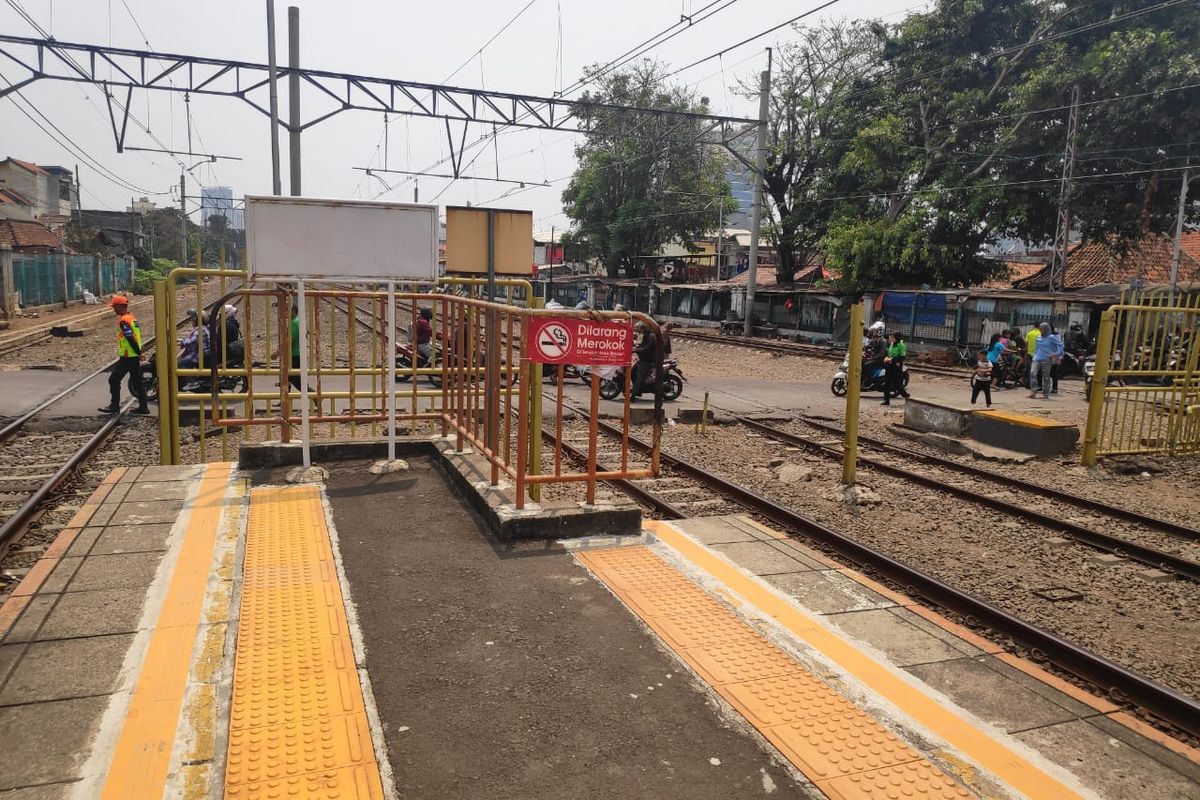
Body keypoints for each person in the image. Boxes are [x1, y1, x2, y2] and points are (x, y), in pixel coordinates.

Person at [98, 294, 150, 415]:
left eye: (115, 306)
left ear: (121, 306)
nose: (113, 309)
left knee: (114, 379)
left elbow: (130, 337)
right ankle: (144, 407)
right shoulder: (132, 318)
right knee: (137, 382)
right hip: (133, 356)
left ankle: (114, 406)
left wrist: (138, 352)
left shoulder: (123, 321)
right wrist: (139, 352)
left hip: (128, 356)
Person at [1028, 322, 1062, 400]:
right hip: (1036, 358)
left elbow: (1060, 345)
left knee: (1046, 376)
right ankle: (1033, 392)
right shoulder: (1039, 337)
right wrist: (1034, 354)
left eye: (1042, 329)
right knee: (1033, 373)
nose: (1040, 330)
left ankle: (1045, 394)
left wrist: (1056, 354)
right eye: (1040, 329)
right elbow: (1037, 347)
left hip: (1046, 358)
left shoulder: (1052, 337)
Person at [881, 331, 908, 405]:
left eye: (893, 337)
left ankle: (905, 395)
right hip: (890, 366)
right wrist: (886, 358)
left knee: (897, 384)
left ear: (897, 338)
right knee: (887, 383)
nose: (891, 339)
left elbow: (902, 356)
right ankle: (886, 400)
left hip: (897, 367)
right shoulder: (892, 344)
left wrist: (892, 359)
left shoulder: (901, 345)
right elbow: (889, 353)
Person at [631, 324, 657, 398]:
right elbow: (642, 346)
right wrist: (635, 348)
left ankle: (633, 396)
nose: (640, 330)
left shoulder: (651, 337)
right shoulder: (645, 336)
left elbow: (646, 349)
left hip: (647, 360)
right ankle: (638, 391)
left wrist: (636, 350)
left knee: (640, 377)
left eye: (641, 329)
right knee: (633, 373)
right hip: (642, 359)